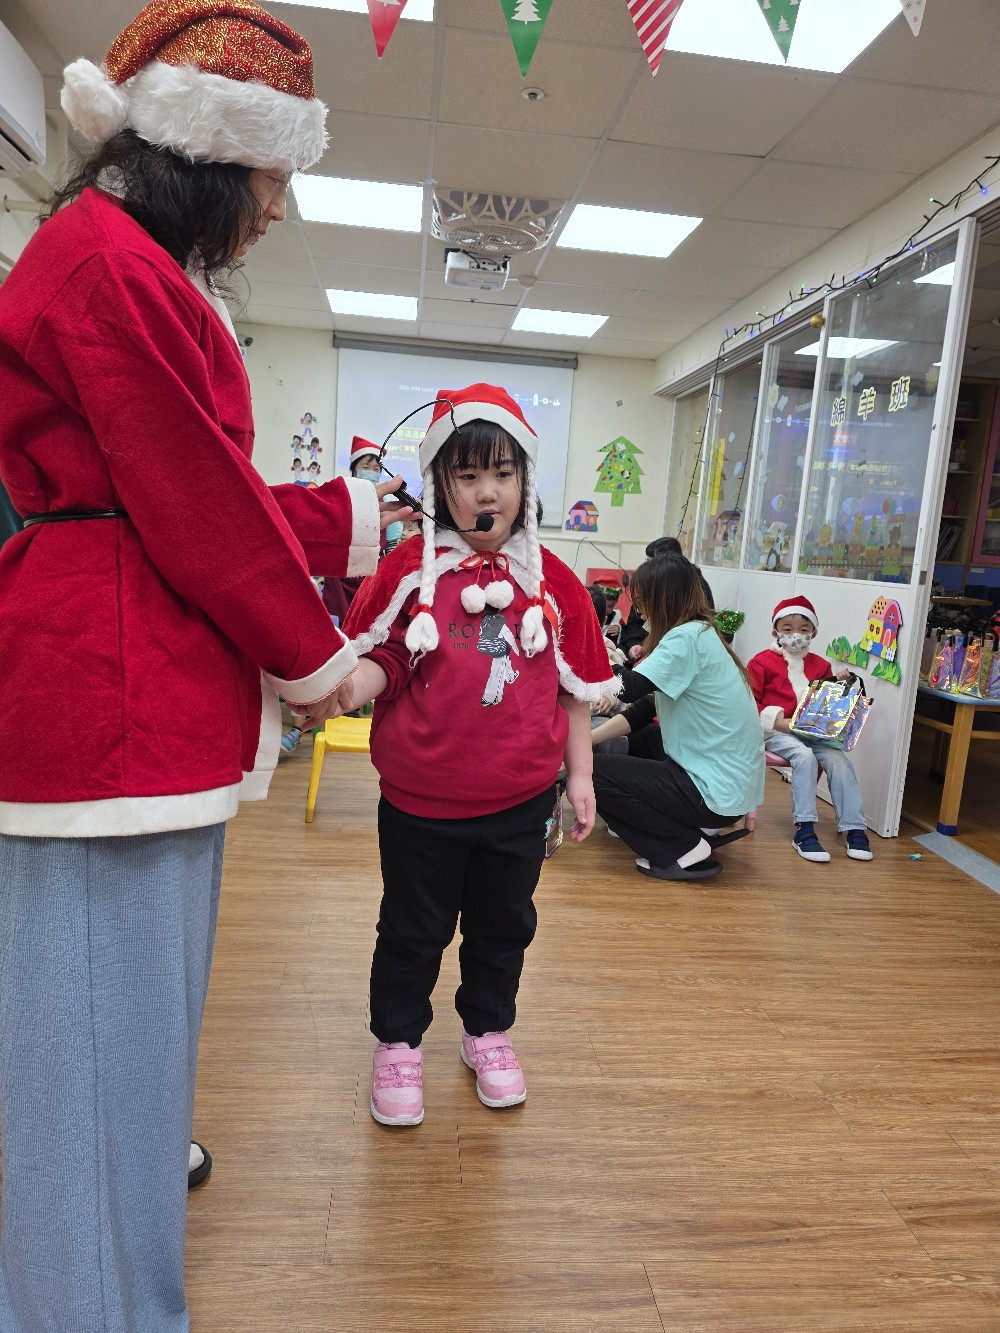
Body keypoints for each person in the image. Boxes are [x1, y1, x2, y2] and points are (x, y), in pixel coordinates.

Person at [0, 3, 410, 1329]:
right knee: (90, 1061)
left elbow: (188, 490)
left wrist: (347, 523)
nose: (279, 208)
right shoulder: (106, 267)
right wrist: (322, 663)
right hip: (108, 702)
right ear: (206, 155)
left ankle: (120, 1291)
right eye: (274, 175)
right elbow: (192, 501)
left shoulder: (119, 262)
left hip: (133, 696)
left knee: (127, 1048)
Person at [341, 384, 617, 1127]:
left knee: (504, 927)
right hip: (419, 807)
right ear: (441, 484)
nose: (487, 491)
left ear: (525, 481)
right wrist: (340, 688)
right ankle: (398, 1042)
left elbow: (575, 688)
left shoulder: (553, 580)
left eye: (502, 472)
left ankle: (487, 1032)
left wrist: (581, 776)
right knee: (411, 930)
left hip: (519, 805)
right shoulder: (408, 571)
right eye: (467, 476)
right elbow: (381, 658)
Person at [591, 554, 764, 882]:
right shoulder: (702, 633)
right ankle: (693, 829)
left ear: (662, 597)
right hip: (729, 786)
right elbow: (643, 710)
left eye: (642, 599)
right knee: (637, 742)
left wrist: (590, 648)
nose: (638, 609)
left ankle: (679, 847)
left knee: (592, 773)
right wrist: (584, 742)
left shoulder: (685, 639)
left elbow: (628, 689)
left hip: (716, 791)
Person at [747, 596, 874, 863]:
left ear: (813, 632)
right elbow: (747, 703)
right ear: (775, 631)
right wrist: (778, 722)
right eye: (788, 628)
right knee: (803, 757)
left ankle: (854, 828)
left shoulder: (820, 665)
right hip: (776, 733)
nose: (796, 635)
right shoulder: (761, 662)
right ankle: (804, 830)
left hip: (812, 734)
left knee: (839, 761)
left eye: (804, 629)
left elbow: (824, 704)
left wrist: (839, 685)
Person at [619, 536, 715, 660]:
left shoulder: (684, 634)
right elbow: (636, 621)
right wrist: (634, 643)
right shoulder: (649, 586)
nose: (649, 567)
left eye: (653, 561)